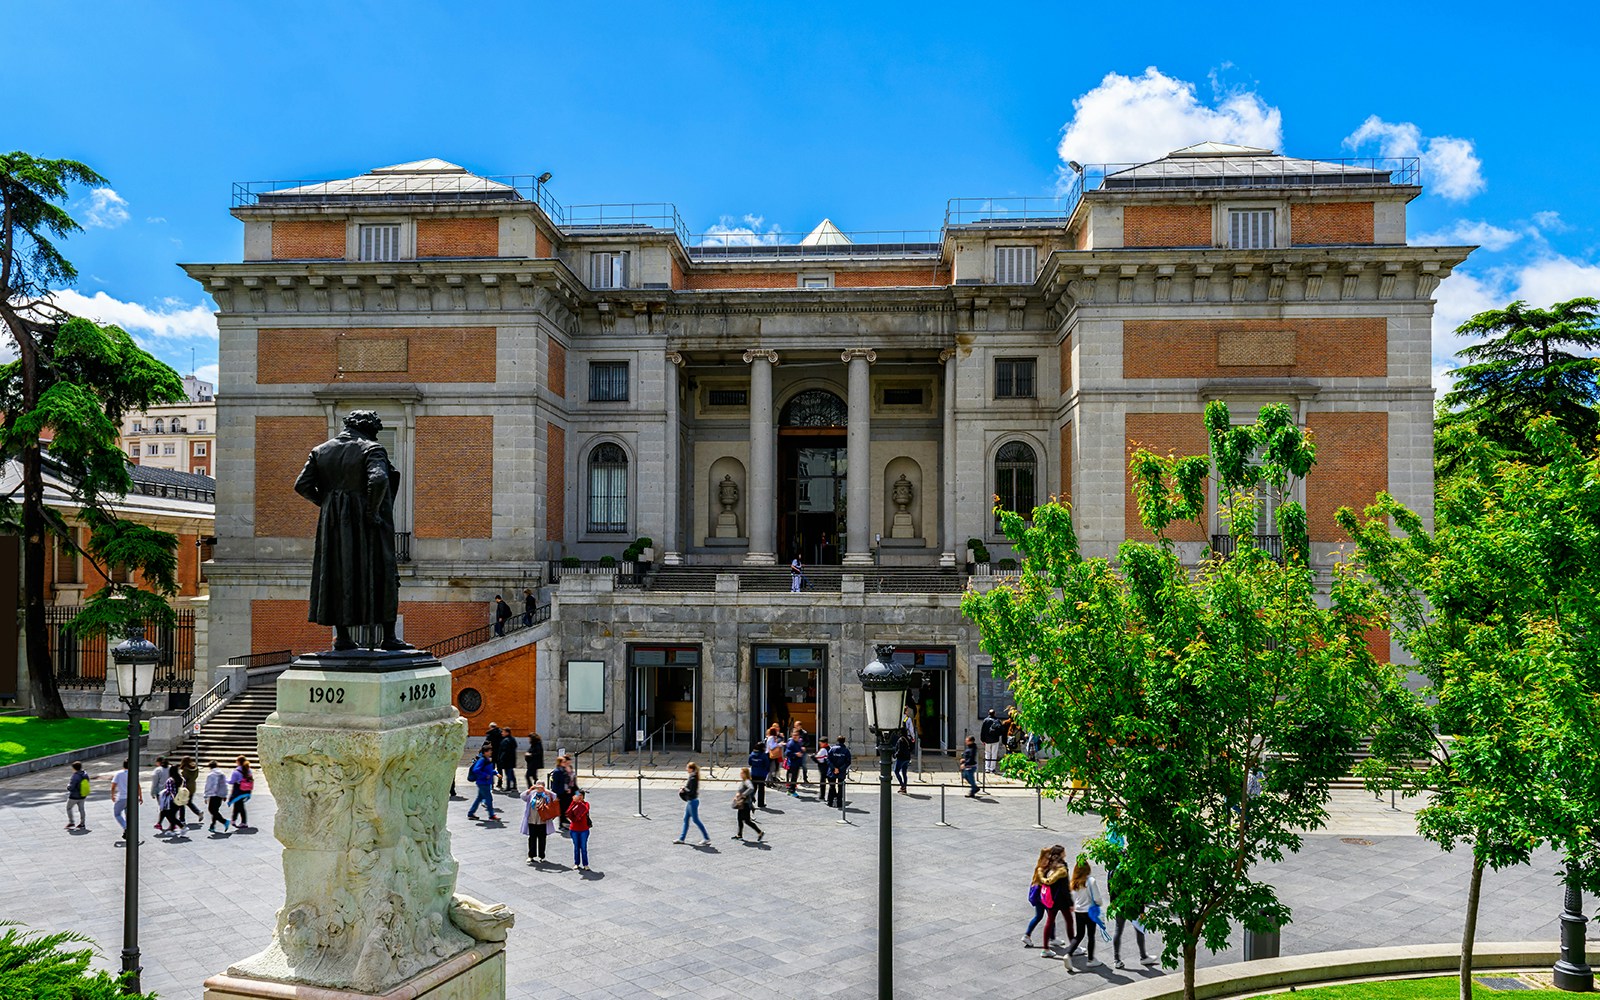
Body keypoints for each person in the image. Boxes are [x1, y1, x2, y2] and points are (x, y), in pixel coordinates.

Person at [293, 409, 409, 652]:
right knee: (383, 571)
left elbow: (302, 485)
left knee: (336, 572)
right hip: (367, 523)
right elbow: (378, 479)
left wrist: (327, 503)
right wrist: (372, 512)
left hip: (333, 525)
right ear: (368, 428)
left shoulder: (320, 450)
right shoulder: (371, 449)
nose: (376, 435)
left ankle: (343, 637)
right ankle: (389, 637)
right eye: (376, 430)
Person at [1063, 857, 1103, 968]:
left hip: (1078, 911)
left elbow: (1073, 897)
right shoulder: (1091, 881)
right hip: (1089, 911)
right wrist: (1099, 905)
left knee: (1079, 935)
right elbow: (1097, 898)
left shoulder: (1074, 882)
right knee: (1091, 935)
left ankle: (1068, 953)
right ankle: (1091, 959)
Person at [1024, 846, 1063, 949]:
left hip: (1039, 897)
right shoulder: (1042, 868)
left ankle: (1028, 935)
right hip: (1043, 897)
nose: (1049, 859)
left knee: (1040, 916)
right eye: (1048, 856)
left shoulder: (1040, 866)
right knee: (1050, 916)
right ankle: (1051, 938)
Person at [520, 782, 557, 863]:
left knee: (542, 839)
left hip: (543, 821)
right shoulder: (532, 794)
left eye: (540, 786)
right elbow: (522, 796)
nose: (539, 787)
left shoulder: (546, 794)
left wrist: (544, 790)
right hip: (532, 820)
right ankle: (531, 855)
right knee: (532, 838)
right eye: (537, 785)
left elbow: (554, 797)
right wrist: (530, 789)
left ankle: (542, 855)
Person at [674, 761, 710, 845]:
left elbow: (691, 791)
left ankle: (706, 837)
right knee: (686, 819)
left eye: (687, 767)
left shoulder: (693, 778)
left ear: (691, 769)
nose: (686, 769)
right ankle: (682, 838)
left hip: (692, 801)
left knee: (695, 820)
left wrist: (684, 789)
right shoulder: (692, 776)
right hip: (691, 801)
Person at [466, 745, 500, 821]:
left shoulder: (487, 760)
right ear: (485, 752)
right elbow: (476, 770)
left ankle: (471, 813)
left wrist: (495, 773)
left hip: (485, 782)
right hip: (483, 783)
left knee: (479, 799)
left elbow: (488, 770)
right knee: (488, 799)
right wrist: (485, 775)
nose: (491, 752)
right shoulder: (482, 760)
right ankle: (491, 815)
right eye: (489, 751)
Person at [732, 767, 765, 842]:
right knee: (740, 819)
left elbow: (751, 788)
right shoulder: (744, 781)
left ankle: (759, 832)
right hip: (743, 803)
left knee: (746, 821)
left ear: (745, 774)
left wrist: (742, 795)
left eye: (742, 773)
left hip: (745, 804)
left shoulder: (747, 781)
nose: (740, 774)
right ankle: (739, 835)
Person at [109, 759, 140, 838]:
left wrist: (112, 795)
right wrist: (140, 796)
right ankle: (126, 831)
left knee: (117, 814)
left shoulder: (119, 774)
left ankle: (126, 827)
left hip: (122, 797)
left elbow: (113, 785)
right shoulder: (133, 773)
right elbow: (138, 786)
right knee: (128, 815)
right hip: (132, 798)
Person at [548, 756, 577, 830]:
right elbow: (555, 784)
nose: (566, 763)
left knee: (567, 807)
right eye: (564, 762)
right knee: (562, 808)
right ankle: (562, 824)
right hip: (561, 792)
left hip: (568, 791)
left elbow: (571, 780)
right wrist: (555, 795)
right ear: (560, 763)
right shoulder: (557, 771)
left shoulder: (566, 769)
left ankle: (564, 821)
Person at [567, 789, 592, 870]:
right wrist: (574, 802)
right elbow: (569, 812)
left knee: (583, 847)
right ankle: (576, 863)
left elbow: (585, 810)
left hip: (584, 829)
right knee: (576, 847)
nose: (579, 797)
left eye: (581, 795)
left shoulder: (586, 804)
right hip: (574, 829)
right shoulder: (573, 803)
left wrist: (578, 802)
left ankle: (585, 864)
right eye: (578, 795)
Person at [825, 735, 851, 809]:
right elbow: (848, 762)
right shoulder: (846, 750)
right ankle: (839, 802)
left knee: (832, 786)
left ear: (837, 740)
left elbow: (828, 759)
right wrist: (840, 769)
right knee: (840, 787)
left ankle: (830, 802)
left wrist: (834, 768)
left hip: (832, 771)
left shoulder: (832, 749)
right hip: (841, 772)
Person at [228, 756, 254, 830]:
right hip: (246, 791)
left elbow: (231, 782)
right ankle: (233, 820)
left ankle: (244, 822)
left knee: (240, 806)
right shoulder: (249, 770)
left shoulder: (236, 772)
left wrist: (225, 780)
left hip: (238, 791)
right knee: (237, 805)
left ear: (238, 762)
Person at [204, 760, 230, 832]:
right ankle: (212, 826)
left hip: (213, 794)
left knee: (212, 810)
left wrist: (206, 796)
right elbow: (225, 784)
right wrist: (225, 795)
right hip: (220, 794)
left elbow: (208, 786)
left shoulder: (211, 775)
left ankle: (224, 821)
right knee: (215, 810)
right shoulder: (222, 774)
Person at [65, 761, 90, 831]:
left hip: (74, 796)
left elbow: (71, 787)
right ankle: (82, 823)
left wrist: (68, 787)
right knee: (81, 809)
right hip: (83, 795)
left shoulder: (75, 776)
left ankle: (71, 822)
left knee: (68, 808)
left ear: (74, 768)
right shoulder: (85, 774)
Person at [179, 756, 203, 823]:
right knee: (189, 802)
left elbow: (184, 779)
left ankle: (182, 819)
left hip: (186, 788)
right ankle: (198, 812)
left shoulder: (185, 769)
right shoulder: (195, 768)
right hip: (193, 786)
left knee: (181, 803)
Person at [148, 756, 170, 831]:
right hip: (170, 791)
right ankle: (161, 823)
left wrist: (152, 792)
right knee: (166, 808)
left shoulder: (157, 770)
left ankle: (170, 823)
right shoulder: (171, 768)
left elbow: (154, 783)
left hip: (160, 792)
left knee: (163, 808)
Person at [745, 743, 770, 808]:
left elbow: (750, 763)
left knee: (753, 788)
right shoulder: (763, 755)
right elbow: (767, 764)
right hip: (762, 774)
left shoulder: (752, 754)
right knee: (761, 789)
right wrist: (766, 771)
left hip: (754, 773)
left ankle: (749, 801)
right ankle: (760, 803)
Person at [980, 709, 1004, 773]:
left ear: (988, 713)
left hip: (987, 740)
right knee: (994, 754)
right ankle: (992, 768)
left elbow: (983, 731)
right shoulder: (997, 720)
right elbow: (1002, 730)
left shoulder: (985, 720)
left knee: (987, 753)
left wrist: (982, 739)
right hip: (995, 740)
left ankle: (987, 768)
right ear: (994, 713)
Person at [783, 731, 805, 797]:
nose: (795, 736)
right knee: (793, 777)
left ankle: (791, 790)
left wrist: (801, 750)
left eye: (796, 735)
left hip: (797, 763)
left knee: (794, 777)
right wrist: (796, 754)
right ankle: (791, 791)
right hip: (792, 763)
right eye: (794, 735)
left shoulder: (798, 742)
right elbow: (787, 753)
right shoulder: (790, 743)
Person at [893, 729, 914, 794]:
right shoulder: (908, 739)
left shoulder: (900, 740)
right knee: (904, 773)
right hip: (907, 758)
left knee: (896, 771)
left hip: (901, 758)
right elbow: (911, 748)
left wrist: (895, 755)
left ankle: (902, 785)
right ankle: (904, 788)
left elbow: (899, 750)